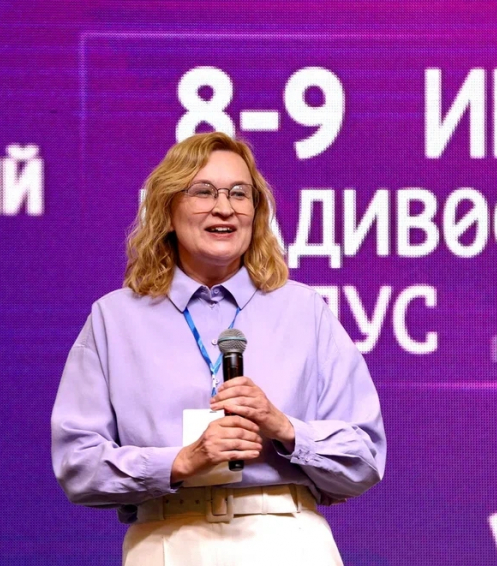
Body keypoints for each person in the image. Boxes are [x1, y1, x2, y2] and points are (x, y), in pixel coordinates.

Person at [51, 132, 386, 565]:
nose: (224, 208)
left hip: (286, 536)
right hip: (167, 538)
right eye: (204, 192)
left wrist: (283, 427)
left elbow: (364, 456)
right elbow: (77, 464)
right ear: (167, 209)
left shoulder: (305, 310)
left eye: (239, 194)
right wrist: (181, 461)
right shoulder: (114, 319)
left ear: (256, 213)